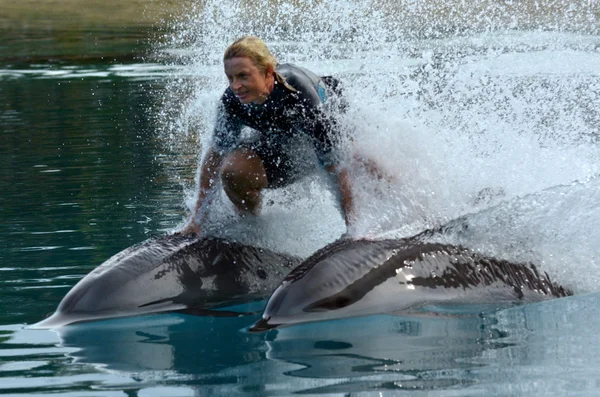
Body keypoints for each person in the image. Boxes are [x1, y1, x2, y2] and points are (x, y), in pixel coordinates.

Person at [182, 36, 367, 236]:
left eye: (243, 76)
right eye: (231, 78)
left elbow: (335, 165)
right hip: (284, 140)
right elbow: (215, 156)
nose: (235, 86)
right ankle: (253, 228)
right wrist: (197, 221)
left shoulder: (298, 94)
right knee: (233, 172)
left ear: (268, 72)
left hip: (333, 120)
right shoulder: (232, 102)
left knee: (354, 157)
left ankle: (392, 195)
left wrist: (353, 229)